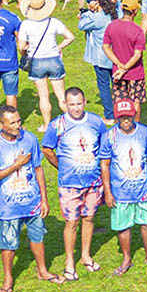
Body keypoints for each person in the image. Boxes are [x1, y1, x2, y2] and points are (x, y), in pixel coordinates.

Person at [0, 106, 56, 292]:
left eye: (19, 121)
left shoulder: (29, 138)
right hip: (8, 206)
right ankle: (8, 278)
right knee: (8, 242)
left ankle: (42, 270)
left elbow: (38, 169)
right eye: (13, 122)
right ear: (0, 124)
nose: (18, 125)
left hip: (32, 201)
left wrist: (44, 199)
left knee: (38, 236)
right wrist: (16, 165)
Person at [41, 85, 106, 278]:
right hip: (70, 183)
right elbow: (47, 149)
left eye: (79, 104)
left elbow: (103, 147)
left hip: (93, 182)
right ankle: (70, 261)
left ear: (85, 102)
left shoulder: (96, 121)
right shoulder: (57, 125)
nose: (76, 108)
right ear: (65, 104)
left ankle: (85, 255)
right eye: (72, 105)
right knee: (71, 222)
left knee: (89, 218)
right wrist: (61, 166)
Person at [99, 96, 147, 273]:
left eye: (128, 117)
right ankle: (127, 257)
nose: (126, 121)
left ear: (134, 115)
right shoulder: (109, 136)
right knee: (122, 225)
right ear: (117, 117)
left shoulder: (145, 132)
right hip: (120, 191)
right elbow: (104, 164)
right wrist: (108, 192)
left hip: (143, 187)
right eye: (122, 117)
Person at [18, 0, 72, 127]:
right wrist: (59, 47)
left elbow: (21, 46)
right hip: (54, 59)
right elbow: (70, 37)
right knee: (61, 95)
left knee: (43, 95)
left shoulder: (25, 24)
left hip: (37, 61)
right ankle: (72, 122)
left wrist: (25, 52)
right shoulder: (53, 22)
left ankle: (47, 125)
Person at [103, 0, 147, 109]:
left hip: (117, 72)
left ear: (122, 9)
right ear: (135, 12)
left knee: (120, 104)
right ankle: (136, 125)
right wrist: (125, 68)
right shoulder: (138, 31)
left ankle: (120, 125)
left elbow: (105, 47)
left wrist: (119, 64)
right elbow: (137, 54)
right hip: (135, 72)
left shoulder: (111, 26)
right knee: (135, 103)